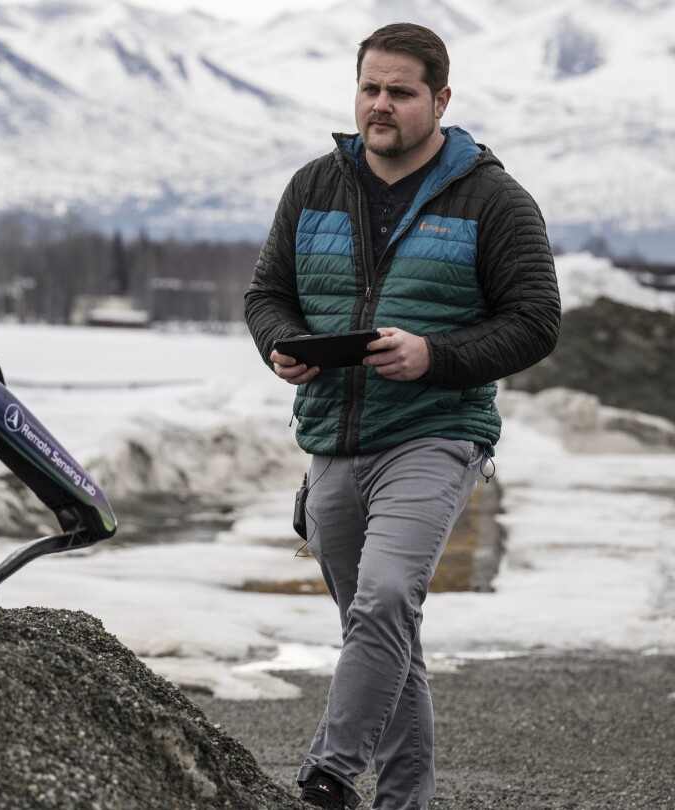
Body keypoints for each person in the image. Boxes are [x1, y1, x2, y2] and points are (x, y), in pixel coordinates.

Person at [243, 22, 561, 810]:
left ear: (441, 98)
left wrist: (435, 357)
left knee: (385, 600)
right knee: (384, 637)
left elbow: (536, 320)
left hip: (434, 433)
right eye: (369, 89)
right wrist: (281, 343)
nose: (379, 106)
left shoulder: (493, 199)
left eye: (400, 92)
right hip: (332, 437)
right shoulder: (315, 184)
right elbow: (266, 294)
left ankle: (328, 774)